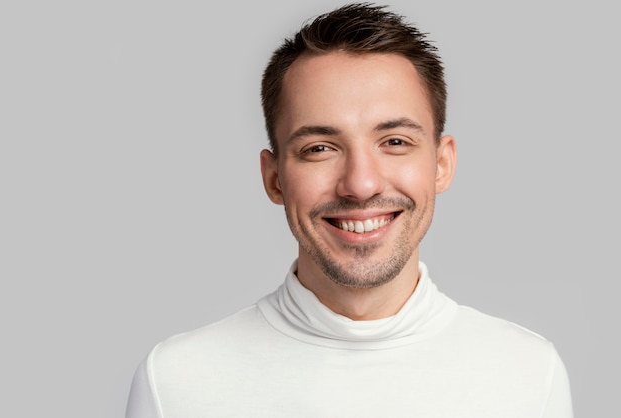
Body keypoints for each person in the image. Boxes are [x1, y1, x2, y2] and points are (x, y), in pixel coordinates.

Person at [126, 3, 573, 417]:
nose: (360, 184)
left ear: (441, 164)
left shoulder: (528, 375)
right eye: (320, 148)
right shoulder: (176, 383)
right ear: (274, 177)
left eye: (395, 142)